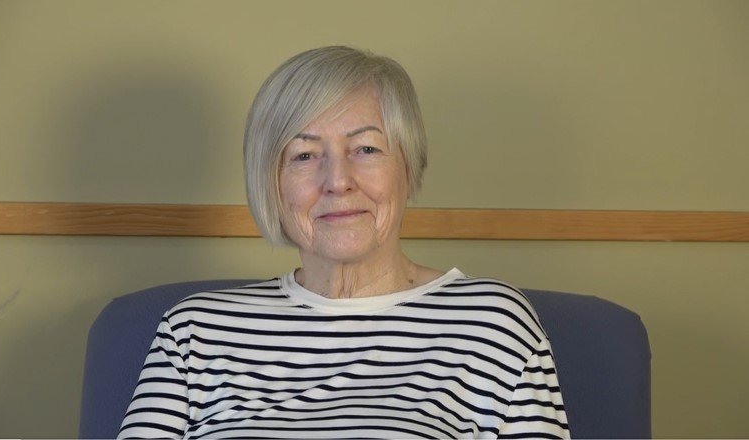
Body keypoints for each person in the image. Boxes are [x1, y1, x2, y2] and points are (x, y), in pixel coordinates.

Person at [118, 46, 569, 439]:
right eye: (304, 155)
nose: (337, 180)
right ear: (271, 184)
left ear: (408, 166)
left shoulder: (492, 323)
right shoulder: (194, 332)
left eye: (366, 149)